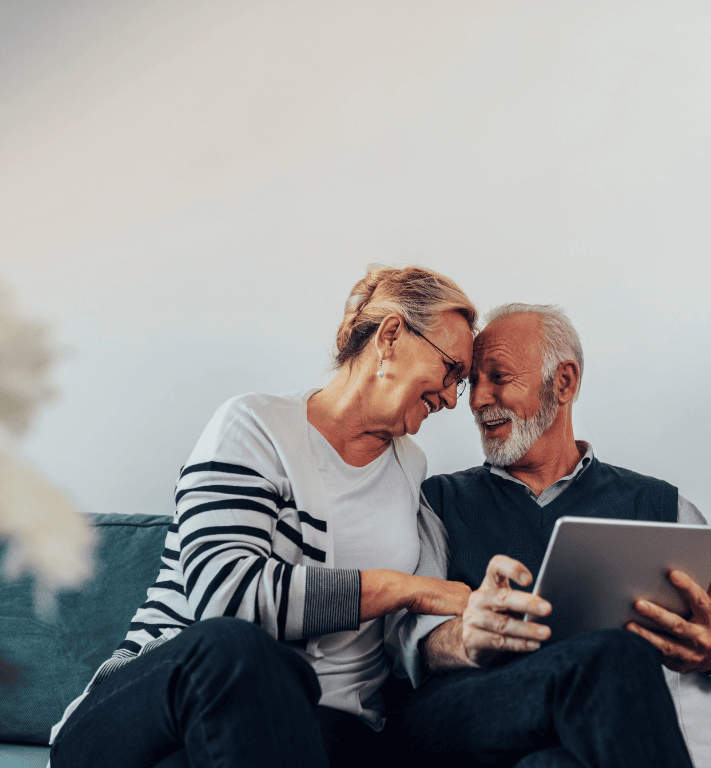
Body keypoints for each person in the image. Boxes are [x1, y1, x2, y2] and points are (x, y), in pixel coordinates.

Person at [50, 266, 478, 768]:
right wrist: (407, 587)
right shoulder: (254, 427)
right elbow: (227, 599)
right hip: (159, 713)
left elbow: (422, 627)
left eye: (461, 384)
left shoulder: (411, 469)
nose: (451, 399)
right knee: (236, 648)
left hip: (316, 732)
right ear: (390, 337)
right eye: (451, 371)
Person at [402, 303, 711, 768]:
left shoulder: (658, 506)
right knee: (614, 655)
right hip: (470, 715)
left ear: (563, 382)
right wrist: (466, 634)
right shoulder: (440, 500)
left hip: (590, 736)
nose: (477, 400)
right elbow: (410, 635)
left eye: (499, 377)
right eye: (473, 381)